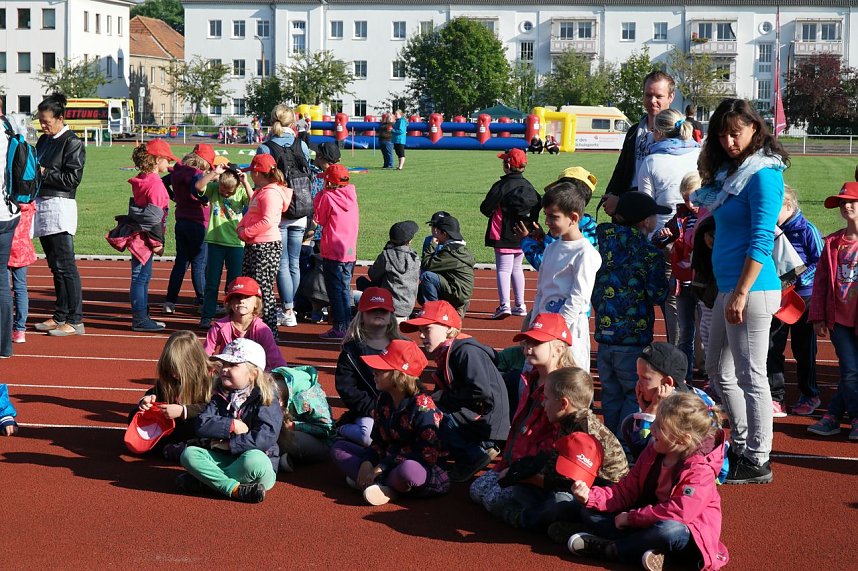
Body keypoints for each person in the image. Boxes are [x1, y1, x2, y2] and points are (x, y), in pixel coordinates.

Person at [693, 98, 788, 485]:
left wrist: (742, 291)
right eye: (722, 134)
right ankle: (745, 442)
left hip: (752, 289)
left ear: (755, 129)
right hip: (729, 286)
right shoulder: (732, 177)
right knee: (716, 368)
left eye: (737, 132)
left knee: (752, 374)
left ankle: (759, 457)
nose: (730, 140)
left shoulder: (764, 174)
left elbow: (763, 237)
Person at [567, 392, 730, 571]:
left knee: (668, 531)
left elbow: (678, 513)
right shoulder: (654, 450)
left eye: (660, 427)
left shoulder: (700, 470)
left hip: (685, 534)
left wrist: (631, 518)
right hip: (649, 520)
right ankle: (652, 553)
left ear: (683, 439)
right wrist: (591, 497)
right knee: (590, 512)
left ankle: (611, 549)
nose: (652, 429)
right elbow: (626, 490)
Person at [489, 367, 629, 531]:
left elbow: (569, 480)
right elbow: (551, 460)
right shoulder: (569, 422)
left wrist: (527, 478)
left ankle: (523, 519)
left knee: (559, 502)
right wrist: (518, 470)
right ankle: (561, 523)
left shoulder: (585, 433)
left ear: (563, 403)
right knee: (522, 490)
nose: (543, 403)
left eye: (546, 398)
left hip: (601, 496)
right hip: (577, 487)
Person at [469, 313, 575, 511]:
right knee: (477, 491)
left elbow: (556, 440)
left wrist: (523, 471)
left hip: (538, 469)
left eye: (536, 342)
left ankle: (533, 510)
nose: (528, 347)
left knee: (493, 500)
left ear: (558, 348)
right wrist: (506, 464)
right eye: (527, 341)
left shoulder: (564, 388)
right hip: (516, 460)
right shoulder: (531, 378)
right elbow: (519, 426)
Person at [330, 339, 450, 506]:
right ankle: (379, 485)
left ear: (399, 375)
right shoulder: (383, 399)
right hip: (387, 459)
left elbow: (426, 455)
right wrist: (367, 461)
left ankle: (379, 484)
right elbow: (377, 442)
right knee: (339, 448)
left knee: (409, 471)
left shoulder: (424, 408)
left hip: (420, 466)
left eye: (381, 369)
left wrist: (382, 466)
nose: (374, 371)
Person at [402, 300, 510, 482]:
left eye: (427, 329)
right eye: (420, 331)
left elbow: (480, 390)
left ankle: (474, 453)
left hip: (487, 422)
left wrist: (441, 398)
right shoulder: (448, 352)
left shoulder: (465, 352)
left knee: (433, 416)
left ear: (447, 328)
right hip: (477, 415)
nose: (421, 336)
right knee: (425, 410)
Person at [592, 191, 669, 443]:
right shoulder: (649, 253)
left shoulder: (600, 239)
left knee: (611, 393)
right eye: (654, 216)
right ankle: (625, 446)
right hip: (633, 339)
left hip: (604, 337)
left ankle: (608, 444)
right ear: (645, 221)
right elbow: (657, 294)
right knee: (632, 394)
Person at [177, 338, 284, 503]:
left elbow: (266, 436)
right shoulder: (219, 394)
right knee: (189, 454)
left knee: (254, 460)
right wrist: (232, 425)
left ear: (253, 374)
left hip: (256, 464)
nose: (224, 369)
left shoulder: (266, 399)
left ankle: (207, 484)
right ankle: (234, 489)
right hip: (226, 460)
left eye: (233, 365)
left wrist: (231, 444)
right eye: (224, 364)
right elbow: (202, 423)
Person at [637, 107, 701, 348]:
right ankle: (704, 359)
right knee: (703, 297)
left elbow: (645, 205)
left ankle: (677, 353)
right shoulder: (699, 155)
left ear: (660, 133)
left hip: (666, 236)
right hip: (700, 233)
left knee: (673, 298)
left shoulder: (651, 160)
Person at [621, 342, 728, 485]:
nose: (638, 383)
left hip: (696, 472)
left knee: (630, 425)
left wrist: (651, 411)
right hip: (697, 462)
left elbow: (649, 449)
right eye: (638, 376)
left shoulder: (677, 409)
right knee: (633, 423)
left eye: (644, 378)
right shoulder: (684, 392)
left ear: (667, 382)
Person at [530, 180, 602, 371]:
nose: (547, 222)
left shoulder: (585, 253)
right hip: (543, 330)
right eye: (546, 216)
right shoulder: (551, 249)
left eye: (553, 217)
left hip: (568, 334)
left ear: (573, 217)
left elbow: (578, 298)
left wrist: (556, 331)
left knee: (567, 385)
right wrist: (533, 324)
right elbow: (540, 292)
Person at [807, 182, 858, 441]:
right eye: (842, 202)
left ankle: (833, 416)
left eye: (851, 201)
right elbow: (820, 284)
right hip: (839, 320)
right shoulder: (833, 243)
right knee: (850, 370)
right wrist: (817, 316)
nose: (846, 206)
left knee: (854, 372)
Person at [33, 93, 86, 337]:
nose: (43, 125)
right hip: (42, 204)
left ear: (60, 118)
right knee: (55, 266)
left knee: (66, 266)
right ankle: (60, 314)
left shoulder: (72, 142)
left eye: (47, 121)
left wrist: (43, 172)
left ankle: (75, 320)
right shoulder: (44, 141)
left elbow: (72, 179)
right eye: (41, 121)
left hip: (60, 206)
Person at [768, 185, 823, 417]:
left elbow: (820, 262)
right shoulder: (771, 230)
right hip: (779, 297)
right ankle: (775, 397)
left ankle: (810, 394)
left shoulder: (807, 229)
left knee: (804, 349)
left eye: (774, 209)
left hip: (804, 298)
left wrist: (797, 278)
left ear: (788, 206)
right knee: (773, 346)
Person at [257, 105, 311, 330]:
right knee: (295, 262)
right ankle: (291, 307)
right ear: (292, 122)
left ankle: (288, 309)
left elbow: (260, 178)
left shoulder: (266, 147)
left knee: (282, 263)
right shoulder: (303, 145)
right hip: (301, 207)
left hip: (278, 208)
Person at [334, 287, 405, 446]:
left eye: (384, 310)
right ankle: (340, 429)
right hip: (369, 411)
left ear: (391, 316)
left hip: (401, 409)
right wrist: (373, 409)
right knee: (368, 437)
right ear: (362, 315)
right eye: (373, 310)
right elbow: (347, 387)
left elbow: (414, 382)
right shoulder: (351, 350)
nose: (378, 313)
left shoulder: (403, 346)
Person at [602, 70, 676, 216]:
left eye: (659, 96)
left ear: (671, 97)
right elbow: (621, 169)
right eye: (648, 95)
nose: (652, 100)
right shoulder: (634, 131)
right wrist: (611, 195)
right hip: (629, 208)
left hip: (660, 210)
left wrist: (623, 201)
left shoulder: (677, 133)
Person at [131, 330, 214, 458]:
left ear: (193, 363)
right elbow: (156, 392)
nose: (173, 374)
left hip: (198, 426)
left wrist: (183, 410)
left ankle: (184, 449)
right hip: (176, 425)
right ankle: (173, 448)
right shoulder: (169, 379)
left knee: (202, 425)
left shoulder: (212, 378)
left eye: (177, 369)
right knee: (134, 414)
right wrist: (147, 401)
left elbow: (213, 408)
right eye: (169, 369)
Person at [480, 148, 541, 319]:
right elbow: (538, 204)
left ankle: (504, 304)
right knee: (517, 268)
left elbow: (485, 208)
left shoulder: (501, 186)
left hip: (502, 233)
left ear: (507, 165)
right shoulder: (528, 186)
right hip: (522, 234)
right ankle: (520, 305)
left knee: (503, 269)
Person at [124, 140, 177, 331]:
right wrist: (157, 242)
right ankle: (140, 318)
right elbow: (153, 217)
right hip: (145, 239)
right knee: (140, 277)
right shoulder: (155, 184)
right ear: (156, 160)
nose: (168, 164)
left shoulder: (143, 179)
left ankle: (142, 315)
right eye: (166, 160)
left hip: (139, 235)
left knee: (141, 277)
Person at [195, 163, 254, 329]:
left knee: (234, 283)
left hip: (236, 244)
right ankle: (207, 315)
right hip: (215, 242)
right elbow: (199, 186)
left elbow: (254, 200)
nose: (225, 193)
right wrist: (214, 173)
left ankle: (231, 316)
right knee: (212, 282)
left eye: (229, 192)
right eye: (223, 190)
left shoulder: (241, 190)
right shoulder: (214, 188)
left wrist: (245, 182)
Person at [237, 154, 290, 338]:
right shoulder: (263, 191)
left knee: (263, 289)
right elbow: (253, 210)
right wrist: (241, 227)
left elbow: (267, 220)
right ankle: (254, 328)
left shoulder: (271, 193)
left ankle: (269, 332)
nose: (250, 175)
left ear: (259, 173)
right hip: (255, 245)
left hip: (265, 246)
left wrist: (246, 232)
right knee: (250, 287)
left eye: (252, 172)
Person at [658, 173, 702, 382]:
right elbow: (664, 237)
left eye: (693, 198)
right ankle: (685, 377)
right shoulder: (681, 216)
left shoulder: (712, 215)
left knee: (707, 334)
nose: (689, 203)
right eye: (685, 199)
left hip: (704, 284)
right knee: (685, 332)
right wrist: (664, 235)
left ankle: (710, 376)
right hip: (683, 284)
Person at [162, 143, 214, 314]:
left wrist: (174, 197)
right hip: (198, 223)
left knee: (180, 263)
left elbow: (163, 182)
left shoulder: (177, 171)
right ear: (204, 162)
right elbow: (195, 187)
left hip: (181, 221)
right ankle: (202, 301)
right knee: (199, 263)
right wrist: (203, 199)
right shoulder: (197, 174)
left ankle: (170, 301)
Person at [314, 163, 359, 339]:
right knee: (345, 288)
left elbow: (319, 218)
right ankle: (347, 323)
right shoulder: (351, 194)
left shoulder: (327, 197)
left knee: (335, 290)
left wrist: (320, 195)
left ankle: (341, 325)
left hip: (333, 248)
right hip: (349, 249)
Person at [204, 276, 287, 370]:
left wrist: (283, 376)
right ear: (230, 303)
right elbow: (205, 355)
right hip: (226, 374)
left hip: (255, 377)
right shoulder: (219, 327)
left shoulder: (262, 329)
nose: (242, 301)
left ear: (256, 303)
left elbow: (276, 359)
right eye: (237, 297)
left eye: (247, 297)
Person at [272, 364, 335, 472]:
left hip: (322, 443)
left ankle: (276, 459)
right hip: (291, 431)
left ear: (281, 400)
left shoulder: (309, 399)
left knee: (287, 438)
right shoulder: (276, 385)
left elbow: (328, 430)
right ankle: (283, 458)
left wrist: (294, 425)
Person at [357, 221, 420, 321]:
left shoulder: (386, 255)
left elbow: (372, 274)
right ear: (409, 241)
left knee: (360, 281)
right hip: (407, 307)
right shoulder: (415, 258)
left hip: (388, 305)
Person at [418, 213, 475, 318]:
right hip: (460, 291)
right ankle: (457, 306)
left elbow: (427, 265)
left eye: (438, 232)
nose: (435, 234)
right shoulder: (460, 248)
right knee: (422, 289)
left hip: (457, 292)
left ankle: (434, 312)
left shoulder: (449, 252)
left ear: (444, 234)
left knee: (427, 276)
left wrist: (432, 245)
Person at [7, 203, 35, 346]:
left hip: (5, 246)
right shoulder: (30, 203)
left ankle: (5, 328)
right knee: (21, 288)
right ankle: (20, 330)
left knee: (4, 290)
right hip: (22, 247)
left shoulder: (6, 203)